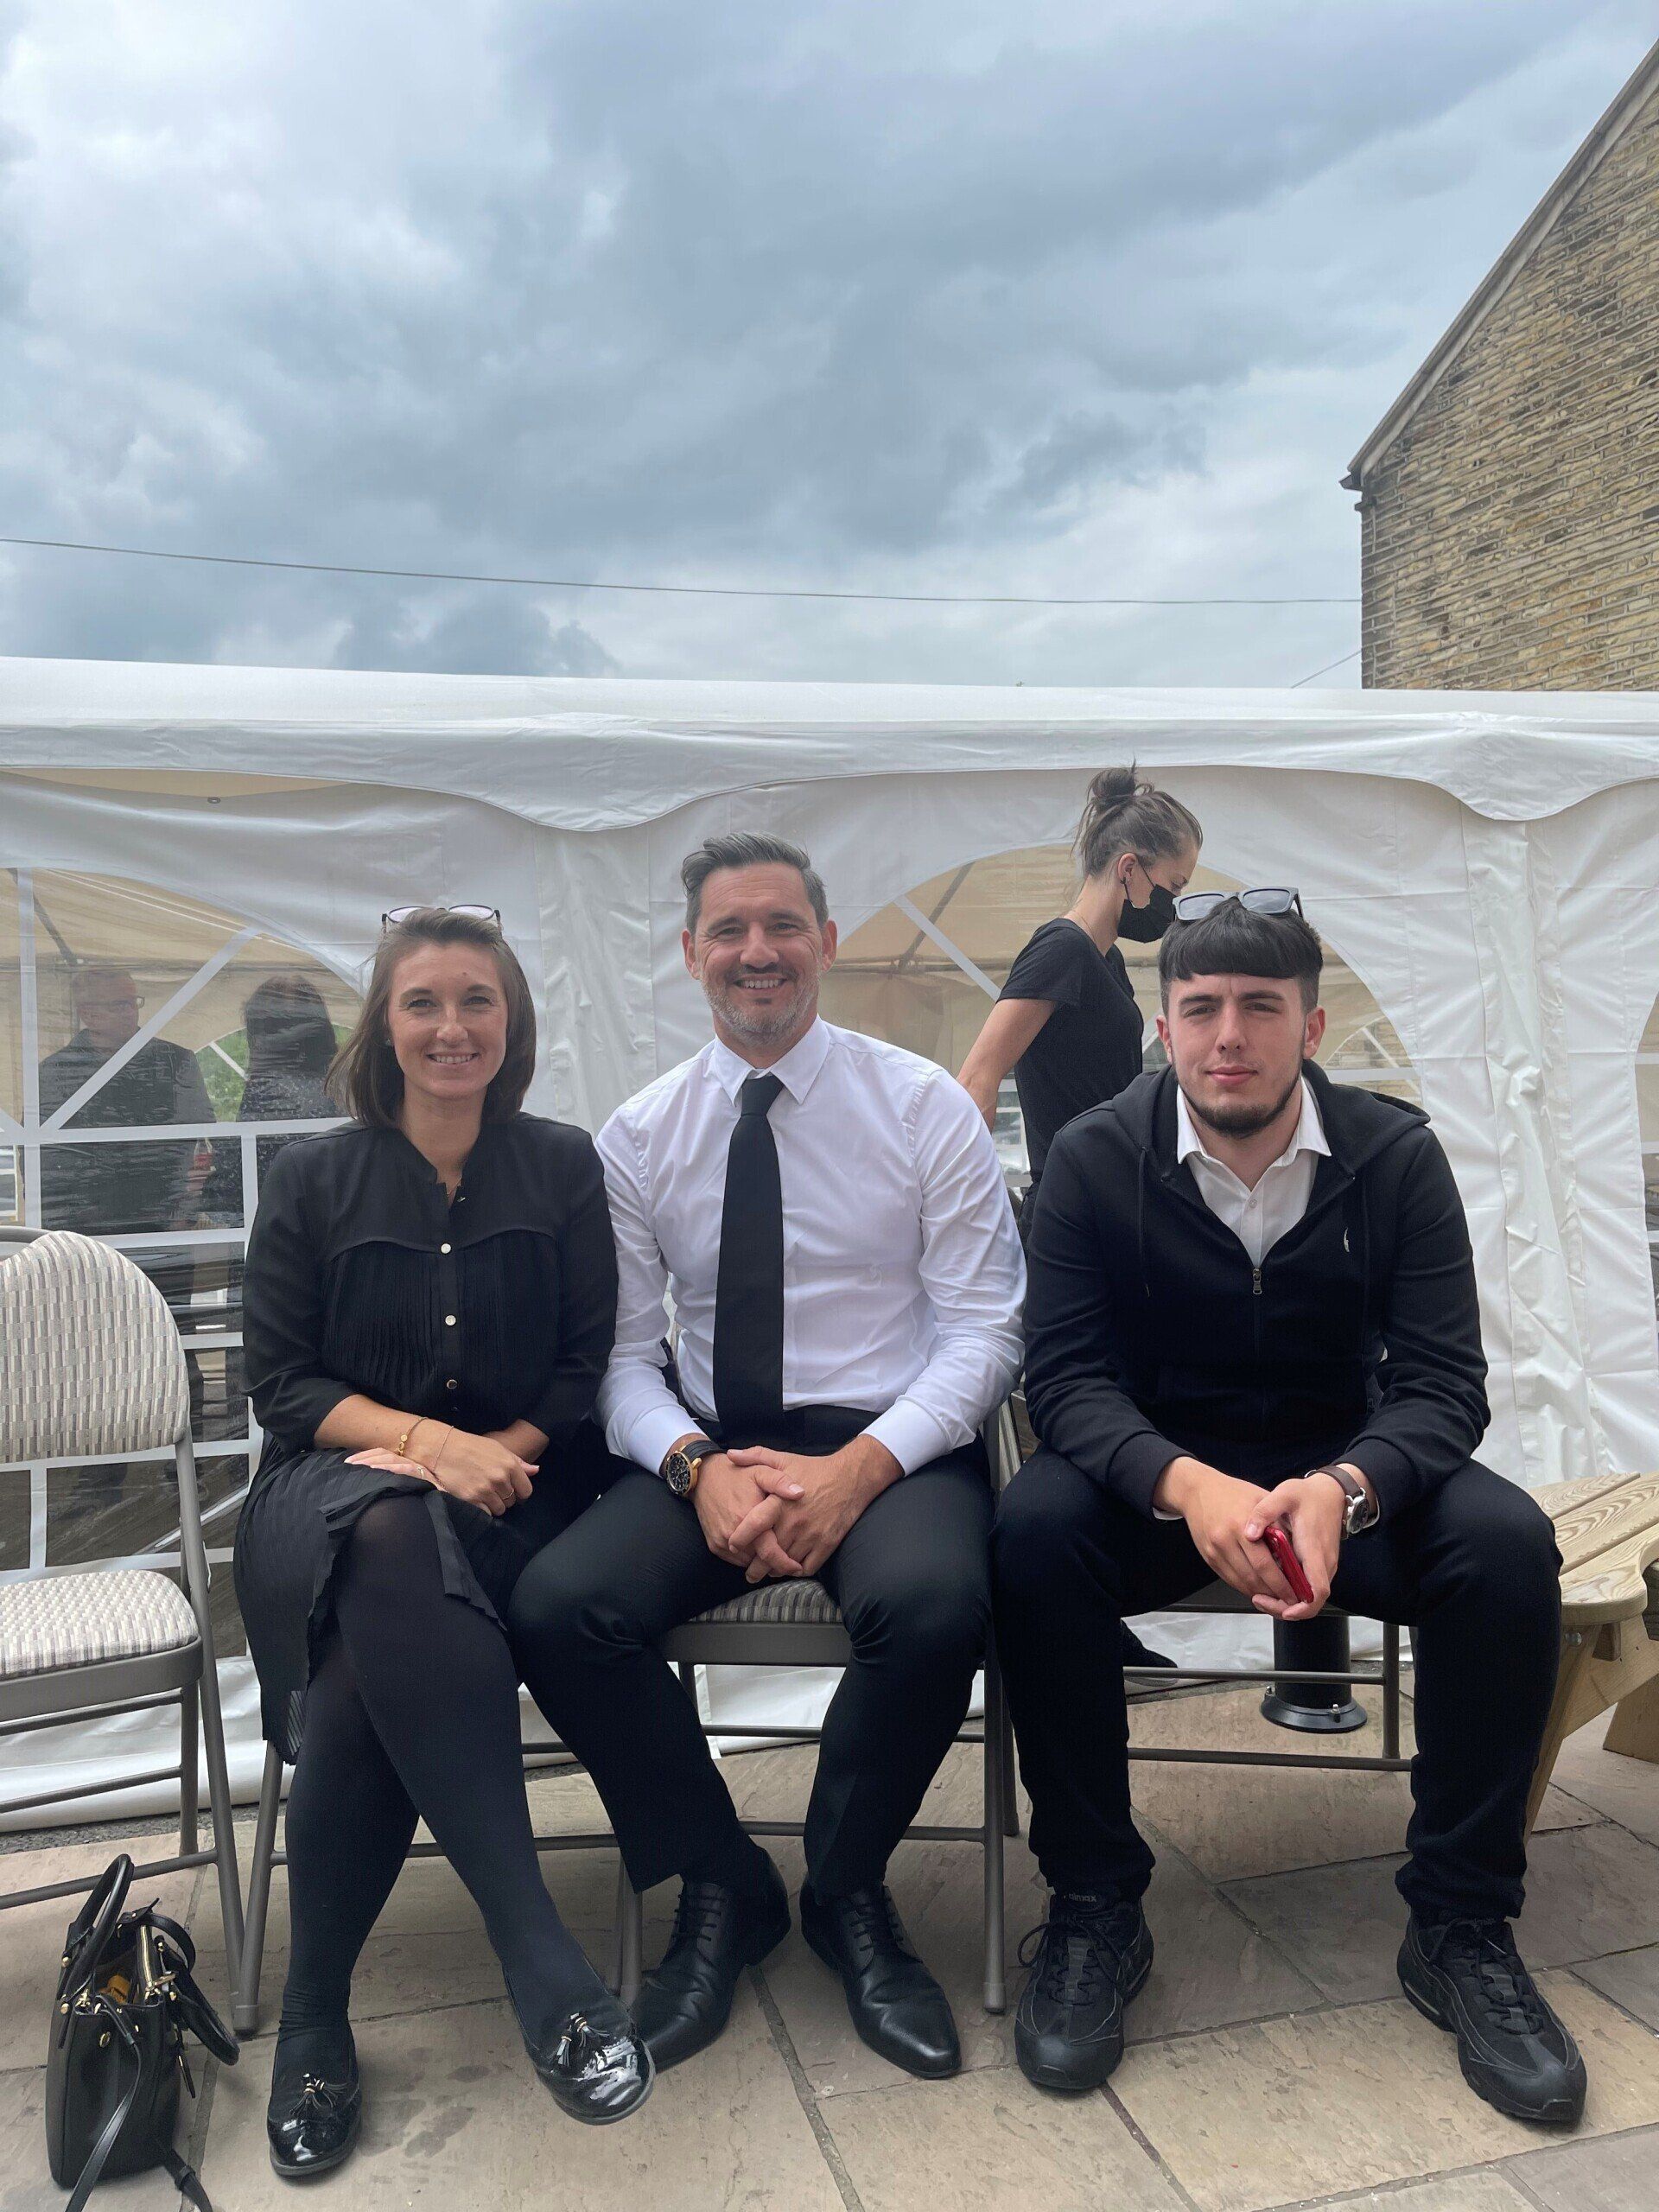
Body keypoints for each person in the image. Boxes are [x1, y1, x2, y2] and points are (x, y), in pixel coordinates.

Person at [992, 893, 1585, 2126]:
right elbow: (1068, 1380)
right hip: (1160, 1480)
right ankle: (1095, 1905)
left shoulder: (1394, 1154)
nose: (1230, 1035)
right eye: (1202, 1008)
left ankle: (1462, 1923)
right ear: (1164, 1027)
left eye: (1261, 1008)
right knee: (1034, 1534)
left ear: (1311, 1028)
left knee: (1504, 1545)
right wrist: (1186, 1484)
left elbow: (1444, 1384)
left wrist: (1346, 1487)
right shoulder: (1095, 1156)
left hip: (1343, 1470)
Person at [510, 832, 1024, 2082]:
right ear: (692, 953)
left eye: (783, 925)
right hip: (714, 1442)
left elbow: (986, 1329)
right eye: (730, 930)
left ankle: (846, 1890)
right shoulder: (639, 1137)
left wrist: (863, 1469)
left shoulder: (923, 1109)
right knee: (560, 1607)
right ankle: (721, 1881)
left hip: (890, 1442)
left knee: (938, 1604)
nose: (758, 952)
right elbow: (622, 1359)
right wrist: (696, 1469)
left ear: (827, 943)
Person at [237, 906, 652, 2180]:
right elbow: (283, 1387)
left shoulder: (562, 1164)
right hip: (329, 1493)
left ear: (511, 1023)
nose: (452, 1026)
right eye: (423, 1001)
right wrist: (431, 1448)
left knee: (359, 1670)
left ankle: (314, 2020)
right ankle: (541, 1959)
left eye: (478, 1000)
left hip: (521, 1492)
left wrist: (494, 1456)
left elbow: (584, 1365)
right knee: (388, 1529)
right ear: (384, 1023)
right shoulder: (312, 1179)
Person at [957, 766, 1202, 1227]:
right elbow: (976, 1080)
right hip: (1070, 1206)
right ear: (1128, 869)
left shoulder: (1107, 959)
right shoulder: (1063, 948)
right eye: (1174, 886)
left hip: (1108, 1198)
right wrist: (972, 1211)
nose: (1172, 905)